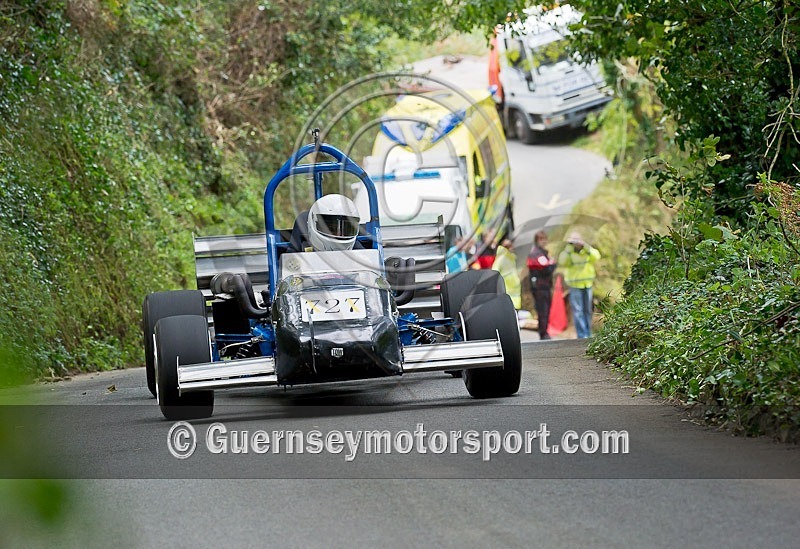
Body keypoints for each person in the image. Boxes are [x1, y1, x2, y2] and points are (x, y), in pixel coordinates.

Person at [558, 231, 601, 339]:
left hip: (587, 284)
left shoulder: (586, 251)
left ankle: (588, 333)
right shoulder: (569, 252)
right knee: (578, 311)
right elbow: (562, 261)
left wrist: (586, 246)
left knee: (587, 310)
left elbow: (597, 256)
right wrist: (569, 247)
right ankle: (582, 335)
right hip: (575, 285)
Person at [527, 230, 556, 340]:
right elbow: (546, 269)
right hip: (540, 286)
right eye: (541, 239)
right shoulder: (536, 254)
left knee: (545, 309)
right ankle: (543, 333)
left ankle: (544, 331)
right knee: (543, 310)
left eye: (545, 239)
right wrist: (552, 264)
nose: (544, 242)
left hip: (544, 285)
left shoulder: (542, 253)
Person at [491, 236, 521, 310]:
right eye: (508, 246)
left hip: (514, 291)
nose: (512, 248)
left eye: (511, 245)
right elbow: (494, 272)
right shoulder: (501, 258)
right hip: (507, 291)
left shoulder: (511, 257)